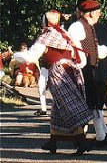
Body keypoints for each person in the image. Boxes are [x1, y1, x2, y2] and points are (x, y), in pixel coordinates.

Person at [13, 10, 94, 156]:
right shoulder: (65, 34)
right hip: (71, 71)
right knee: (58, 107)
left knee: (70, 106)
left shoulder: (45, 37)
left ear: (46, 21)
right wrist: (73, 66)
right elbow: (81, 58)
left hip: (59, 73)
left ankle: (81, 141)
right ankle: (53, 141)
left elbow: (30, 57)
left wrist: (15, 55)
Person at [68, 0, 107, 147]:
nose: (99, 14)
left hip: (90, 69)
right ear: (90, 13)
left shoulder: (88, 26)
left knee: (94, 103)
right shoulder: (77, 27)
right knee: (87, 104)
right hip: (83, 69)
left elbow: (95, 49)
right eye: (97, 12)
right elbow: (73, 49)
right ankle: (82, 138)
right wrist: (80, 65)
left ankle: (102, 136)